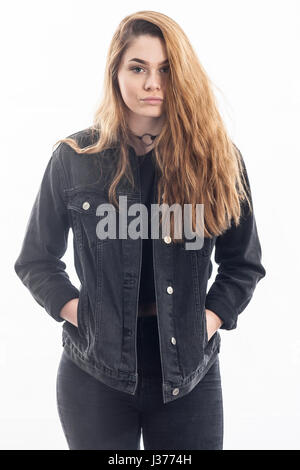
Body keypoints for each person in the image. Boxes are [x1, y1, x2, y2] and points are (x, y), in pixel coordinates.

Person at [14, 11, 266, 450]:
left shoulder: (218, 160)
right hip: (94, 376)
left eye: (167, 70)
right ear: (116, 72)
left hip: (190, 377)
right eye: (138, 68)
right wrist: (81, 314)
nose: (153, 83)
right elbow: (36, 260)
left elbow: (242, 264)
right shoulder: (74, 158)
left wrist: (206, 322)